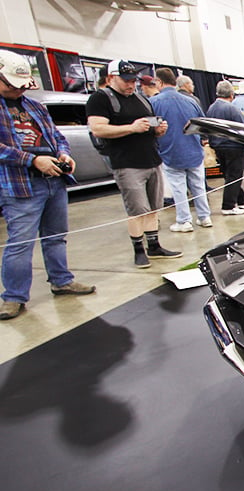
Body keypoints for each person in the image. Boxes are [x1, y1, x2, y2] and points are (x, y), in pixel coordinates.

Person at [0, 49, 95, 320]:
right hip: (21, 187)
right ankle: (13, 296)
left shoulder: (34, 106)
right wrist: (31, 160)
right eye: (11, 85)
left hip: (54, 181)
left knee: (56, 236)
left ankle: (61, 280)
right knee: (21, 242)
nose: (17, 90)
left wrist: (63, 154)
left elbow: (56, 136)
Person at [87, 59, 180, 268]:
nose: (130, 84)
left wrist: (157, 129)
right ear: (111, 78)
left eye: (133, 80)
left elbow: (149, 124)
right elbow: (98, 129)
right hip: (127, 163)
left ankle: (154, 245)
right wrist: (131, 128)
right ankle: (139, 251)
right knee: (137, 210)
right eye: (126, 80)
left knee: (153, 208)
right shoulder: (100, 99)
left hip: (151, 159)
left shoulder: (141, 99)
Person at [150, 67, 212, 232]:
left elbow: (151, 129)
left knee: (178, 187)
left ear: (159, 82)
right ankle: (204, 217)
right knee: (198, 185)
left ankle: (184, 221)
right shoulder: (192, 101)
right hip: (193, 150)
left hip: (170, 151)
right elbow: (203, 124)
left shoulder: (154, 102)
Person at [205, 80, 244, 216]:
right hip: (233, 147)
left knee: (229, 175)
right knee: (234, 176)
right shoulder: (232, 109)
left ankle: (241, 200)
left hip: (218, 147)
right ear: (231, 94)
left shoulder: (211, 108)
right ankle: (228, 206)